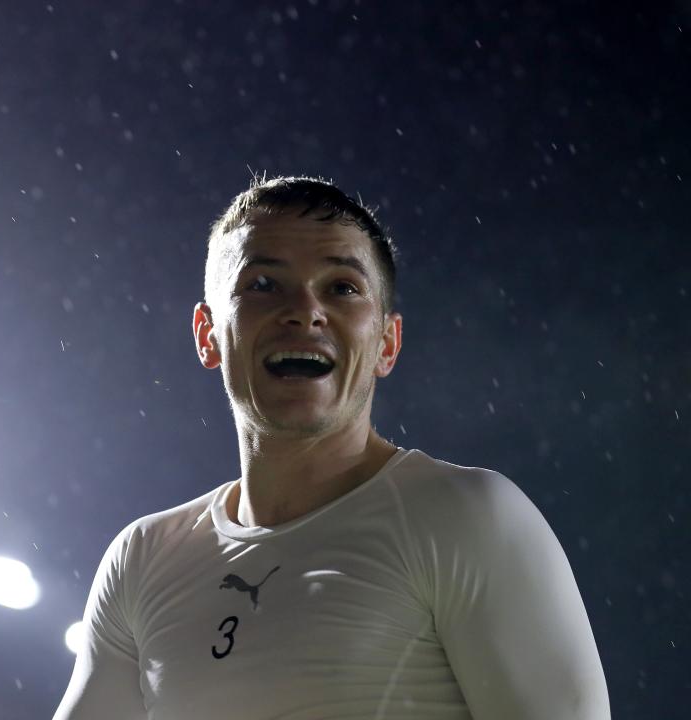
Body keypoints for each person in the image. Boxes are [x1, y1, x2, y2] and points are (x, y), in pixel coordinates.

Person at [52, 176, 612, 719]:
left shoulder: (465, 516)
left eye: (342, 287)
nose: (304, 310)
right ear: (208, 335)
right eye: (263, 284)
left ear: (387, 344)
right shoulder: (142, 558)